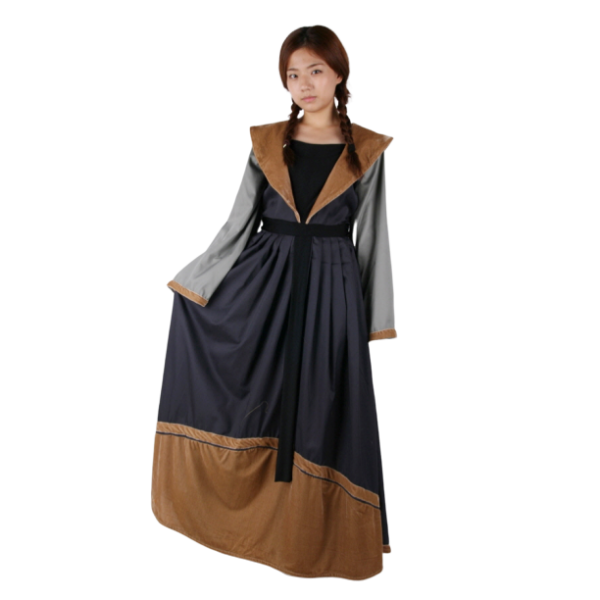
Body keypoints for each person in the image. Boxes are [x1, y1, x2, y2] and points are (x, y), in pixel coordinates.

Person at [151, 23, 397, 581]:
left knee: (320, 401)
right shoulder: (266, 142)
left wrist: (371, 318)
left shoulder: (367, 148)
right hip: (265, 278)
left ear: (339, 74)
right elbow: (238, 224)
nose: (304, 84)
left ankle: (306, 535)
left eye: (316, 71)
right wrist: (196, 283)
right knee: (259, 389)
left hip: (332, 285)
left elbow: (372, 236)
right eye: (292, 74)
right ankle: (243, 518)